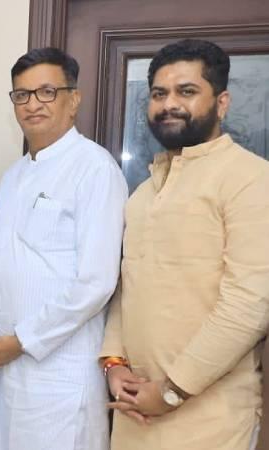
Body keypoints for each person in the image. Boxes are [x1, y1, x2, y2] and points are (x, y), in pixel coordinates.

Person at [102, 39, 269, 450]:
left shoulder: (250, 178)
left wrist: (173, 390)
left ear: (222, 102)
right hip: (135, 411)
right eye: (159, 94)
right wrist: (114, 364)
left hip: (209, 421)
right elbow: (127, 287)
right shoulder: (143, 193)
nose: (169, 104)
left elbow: (249, 305)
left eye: (186, 91)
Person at [0, 48, 127, 450]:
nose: (32, 104)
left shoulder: (95, 168)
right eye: (21, 95)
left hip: (57, 369)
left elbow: (95, 282)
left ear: (73, 99)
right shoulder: (14, 173)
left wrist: (21, 340)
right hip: (3, 362)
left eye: (46, 92)